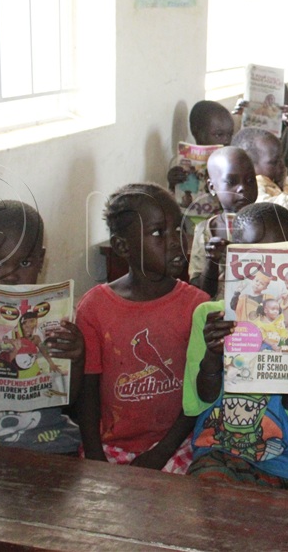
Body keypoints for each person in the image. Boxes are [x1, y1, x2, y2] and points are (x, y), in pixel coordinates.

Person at [183, 202, 288, 492]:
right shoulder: (208, 317)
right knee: (211, 497)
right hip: (220, 451)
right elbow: (203, 397)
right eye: (258, 257)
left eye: (281, 255)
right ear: (234, 257)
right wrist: (214, 352)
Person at [78, 183, 209, 473]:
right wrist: (95, 457)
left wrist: (161, 452)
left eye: (178, 230)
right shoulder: (95, 308)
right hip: (111, 446)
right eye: (159, 233)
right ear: (123, 246)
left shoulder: (197, 306)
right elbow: (87, 392)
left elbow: (198, 393)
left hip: (178, 444)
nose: (176, 242)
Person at [0, 201, 84, 453]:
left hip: (53, 444)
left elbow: (72, 400)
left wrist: (77, 359)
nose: (10, 274)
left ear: (40, 261)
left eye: (25, 263)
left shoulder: (61, 320)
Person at [189, 146, 259, 298]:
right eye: (231, 181)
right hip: (218, 315)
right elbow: (201, 291)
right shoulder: (206, 230)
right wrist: (212, 259)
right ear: (212, 187)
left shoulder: (269, 223)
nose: (242, 188)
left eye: (250, 180)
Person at [232, 128, 288, 219]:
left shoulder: (282, 179)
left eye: (282, 159)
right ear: (249, 165)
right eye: (274, 162)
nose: (281, 165)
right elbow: (274, 212)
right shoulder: (253, 188)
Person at [167, 101, 235, 191]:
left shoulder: (233, 161)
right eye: (219, 135)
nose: (226, 140)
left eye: (230, 134)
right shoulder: (179, 162)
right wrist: (173, 183)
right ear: (196, 132)